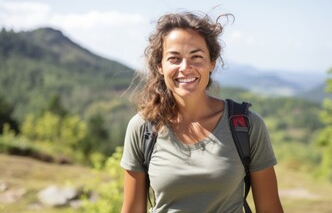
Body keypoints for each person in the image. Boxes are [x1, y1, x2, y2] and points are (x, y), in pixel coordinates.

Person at [120, 11, 284, 213]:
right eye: (174, 58)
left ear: (212, 63)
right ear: (160, 66)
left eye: (196, 57)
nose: (185, 68)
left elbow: (270, 209)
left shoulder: (246, 125)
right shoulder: (143, 128)